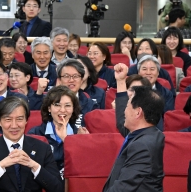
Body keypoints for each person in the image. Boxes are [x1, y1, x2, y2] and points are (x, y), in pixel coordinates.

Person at [0, 96, 63, 192]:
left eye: (19, 119)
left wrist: (35, 166)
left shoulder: (42, 148)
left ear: (26, 120)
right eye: (8, 120)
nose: (14, 125)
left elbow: (58, 188)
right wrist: (0, 166)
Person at [103, 63, 165, 192]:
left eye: (127, 106)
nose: (124, 111)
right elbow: (121, 122)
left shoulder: (142, 145)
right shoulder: (148, 133)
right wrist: (120, 81)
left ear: (138, 112)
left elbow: (124, 188)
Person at [28, 86, 88, 175]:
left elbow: (83, 167)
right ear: (49, 108)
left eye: (67, 105)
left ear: (73, 109)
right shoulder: (35, 134)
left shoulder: (80, 135)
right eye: (57, 105)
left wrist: (67, 140)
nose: (62, 110)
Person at [56, 58, 99, 128]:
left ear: (82, 80)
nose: (71, 80)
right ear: (59, 80)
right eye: (66, 76)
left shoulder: (91, 106)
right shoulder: (50, 103)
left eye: (75, 76)